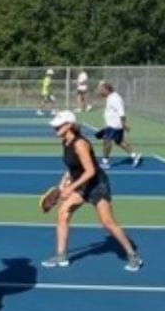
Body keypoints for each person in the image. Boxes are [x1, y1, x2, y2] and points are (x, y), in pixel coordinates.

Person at [41, 110, 142, 271]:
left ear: (69, 125)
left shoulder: (80, 144)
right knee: (63, 213)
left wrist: (71, 188)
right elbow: (73, 167)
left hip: (97, 185)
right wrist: (63, 181)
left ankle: (132, 255)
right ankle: (61, 256)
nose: (55, 129)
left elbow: (90, 171)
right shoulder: (66, 142)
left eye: (58, 126)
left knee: (107, 222)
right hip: (82, 186)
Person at [96, 81, 141, 168]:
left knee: (106, 141)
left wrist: (124, 124)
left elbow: (121, 113)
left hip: (114, 126)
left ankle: (105, 162)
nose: (100, 92)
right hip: (113, 125)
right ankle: (134, 156)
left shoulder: (115, 99)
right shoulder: (110, 97)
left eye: (101, 90)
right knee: (119, 141)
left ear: (107, 90)